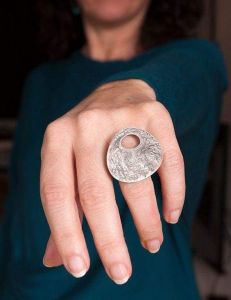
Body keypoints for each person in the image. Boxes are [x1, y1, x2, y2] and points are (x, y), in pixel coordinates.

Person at [0, 0, 228, 299]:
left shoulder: (197, 58)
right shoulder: (41, 80)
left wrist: (131, 91)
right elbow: (21, 209)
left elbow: (188, 76)